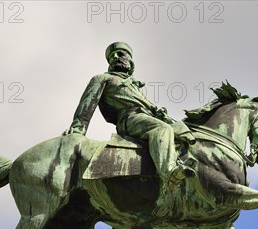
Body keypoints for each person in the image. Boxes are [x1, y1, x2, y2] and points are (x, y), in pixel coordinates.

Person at [65, 42, 194, 191]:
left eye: (120, 54)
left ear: (130, 60)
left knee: (185, 133)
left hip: (146, 117)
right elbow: (87, 104)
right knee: (163, 130)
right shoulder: (102, 78)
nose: (115, 58)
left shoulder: (134, 85)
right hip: (129, 119)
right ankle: (169, 173)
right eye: (112, 56)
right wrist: (77, 129)